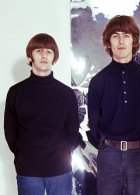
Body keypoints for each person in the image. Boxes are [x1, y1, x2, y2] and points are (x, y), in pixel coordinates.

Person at [87, 15, 140, 195]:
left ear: (134, 40)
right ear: (108, 41)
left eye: (126, 35)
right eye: (115, 35)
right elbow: (94, 122)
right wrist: (108, 146)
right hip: (109, 154)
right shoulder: (98, 81)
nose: (121, 41)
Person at [4, 33, 84, 195]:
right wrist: (23, 154)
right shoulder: (16, 93)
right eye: (39, 51)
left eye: (49, 52)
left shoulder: (66, 93)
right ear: (30, 56)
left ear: (54, 57)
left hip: (60, 171)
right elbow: (10, 132)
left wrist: (62, 155)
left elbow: (72, 131)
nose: (44, 55)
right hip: (28, 171)